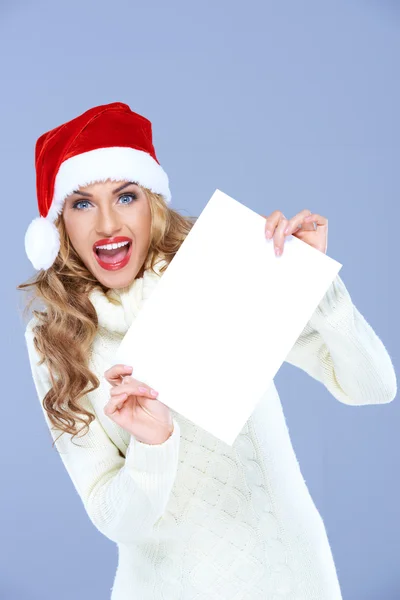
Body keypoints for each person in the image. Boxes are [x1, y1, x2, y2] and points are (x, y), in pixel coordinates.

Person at [18, 101, 397, 600]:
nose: (107, 224)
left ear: (151, 201)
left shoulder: (219, 268)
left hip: (293, 580)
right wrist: (152, 446)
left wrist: (317, 288)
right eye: (82, 203)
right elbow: (113, 516)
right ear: (59, 224)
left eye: (125, 195)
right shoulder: (57, 339)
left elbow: (372, 387)